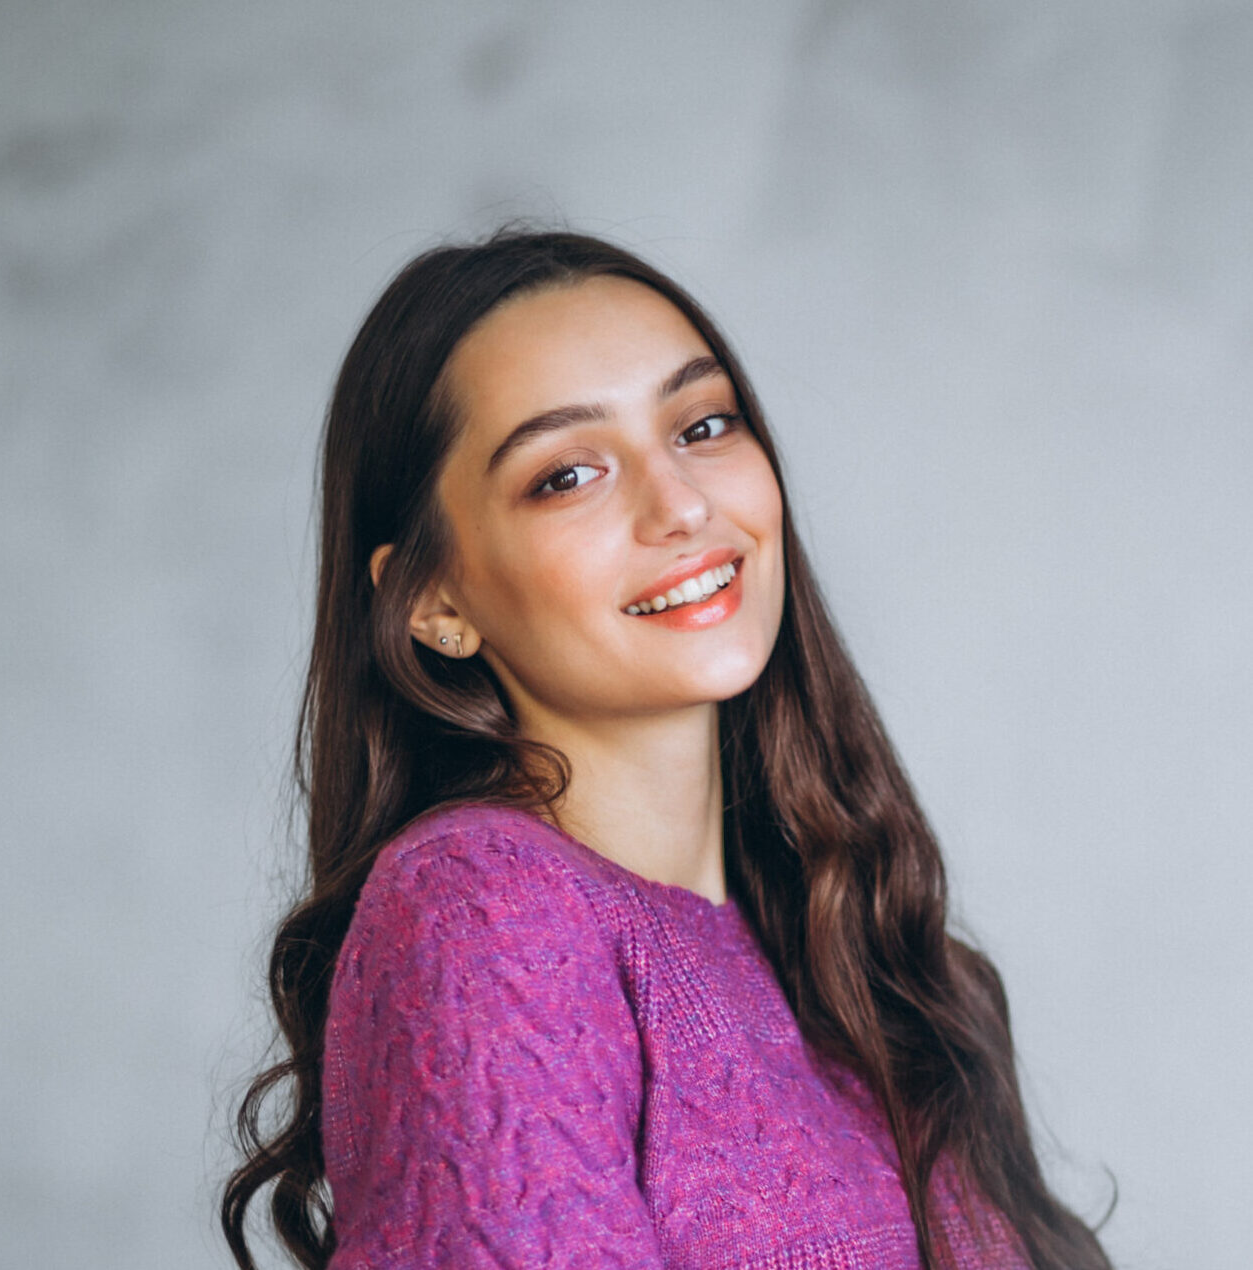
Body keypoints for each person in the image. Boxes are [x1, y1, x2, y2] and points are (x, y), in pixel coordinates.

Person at [222, 230, 1113, 1270]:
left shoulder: (868, 954)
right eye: (568, 474)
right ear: (435, 602)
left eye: (702, 425)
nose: (682, 503)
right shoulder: (482, 908)